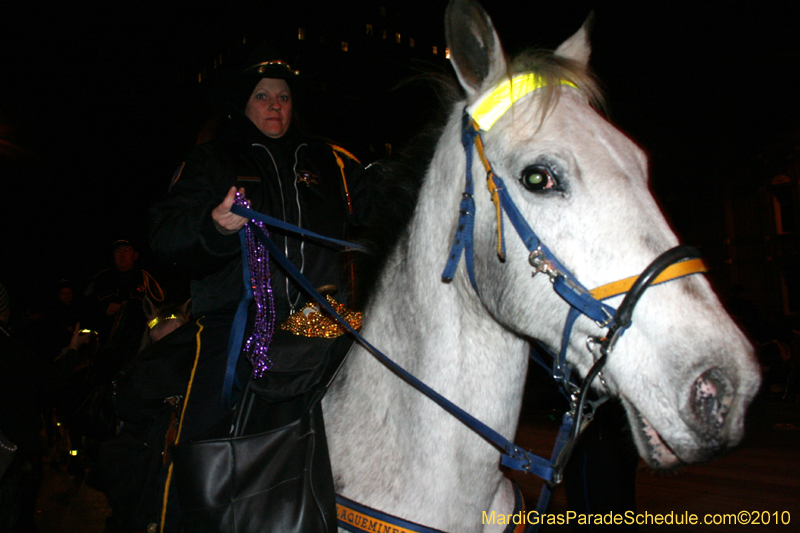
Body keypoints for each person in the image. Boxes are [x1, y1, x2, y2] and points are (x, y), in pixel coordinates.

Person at [148, 45, 371, 532]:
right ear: (243, 104)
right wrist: (216, 227)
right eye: (263, 95)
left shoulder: (332, 163)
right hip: (236, 327)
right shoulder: (212, 159)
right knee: (201, 441)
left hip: (325, 323)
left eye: (284, 96)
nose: (275, 105)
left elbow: (386, 209)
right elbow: (165, 236)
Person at [0, 282, 90, 532]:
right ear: (4, 311)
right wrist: (73, 349)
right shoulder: (12, 349)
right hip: (15, 452)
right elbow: (51, 379)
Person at [84, 239, 165, 354]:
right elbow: (85, 309)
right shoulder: (101, 279)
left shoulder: (146, 280)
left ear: (135, 255)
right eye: (118, 251)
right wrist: (104, 310)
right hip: (105, 346)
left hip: (138, 346)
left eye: (126, 251)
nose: (122, 255)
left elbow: (159, 312)